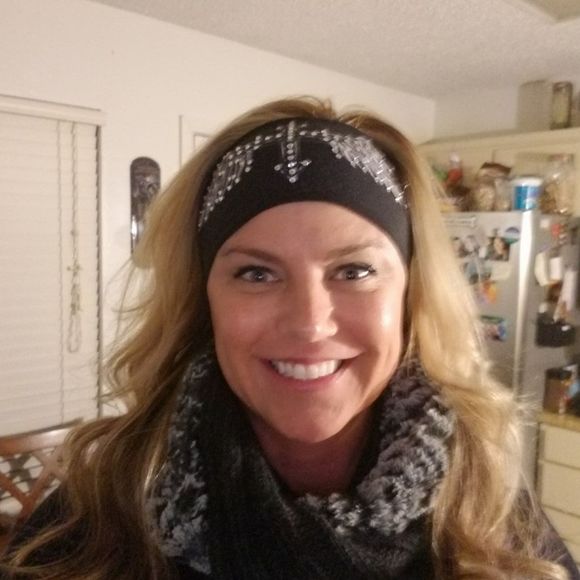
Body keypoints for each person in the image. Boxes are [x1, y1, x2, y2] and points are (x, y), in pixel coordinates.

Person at [1, 97, 578, 580]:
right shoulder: (102, 511)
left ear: (411, 294)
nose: (309, 323)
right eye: (256, 273)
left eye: (354, 271)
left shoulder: (482, 500)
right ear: (204, 300)